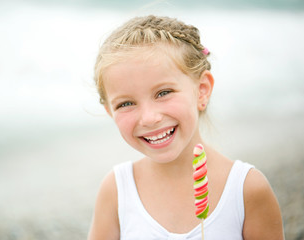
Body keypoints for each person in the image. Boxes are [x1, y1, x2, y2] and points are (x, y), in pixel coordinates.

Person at [88, 15, 284, 240]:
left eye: (163, 93)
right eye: (126, 103)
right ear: (110, 112)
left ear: (201, 90)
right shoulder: (116, 190)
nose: (149, 118)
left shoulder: (246, 189)